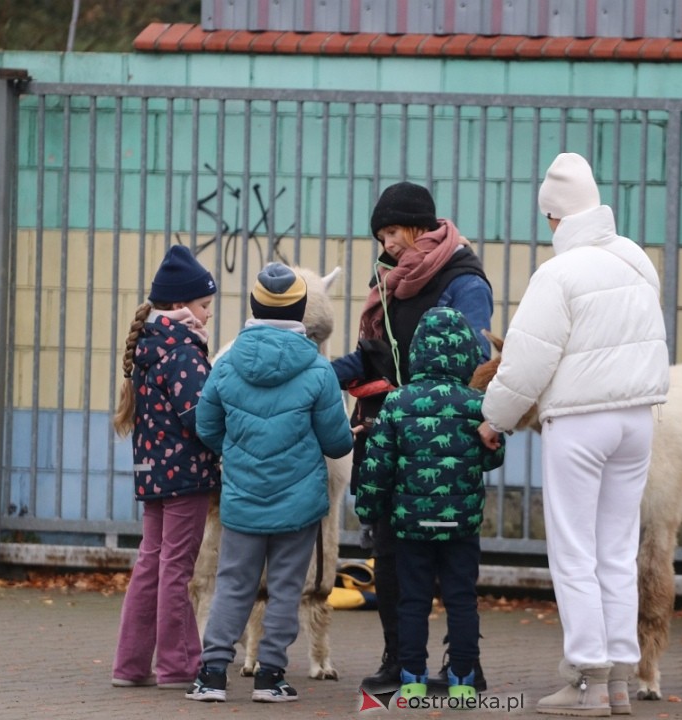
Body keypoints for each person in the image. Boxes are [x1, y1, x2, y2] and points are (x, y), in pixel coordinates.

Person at [478, 152, 669, 717]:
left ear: (554, 217)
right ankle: (618, 682)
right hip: (640, 418)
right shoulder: (636, 259)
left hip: (582, 423)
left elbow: (527, 363)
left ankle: (586, 678)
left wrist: (495, 418)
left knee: (574, 550)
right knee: (616, 548)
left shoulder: (558, 274)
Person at [331, 181, 495, 693]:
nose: (386, 246)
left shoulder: (463, 279)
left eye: (392, 232)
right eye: (379, 236)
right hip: (385, 431)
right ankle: (399, 659)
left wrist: (431, 411)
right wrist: (317, 375)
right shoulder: (391, 280)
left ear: (420, 227)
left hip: (439, 442)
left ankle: (463, 665)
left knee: (452, 571)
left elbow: (474, 358)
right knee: (391, 556)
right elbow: (371, 354)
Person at [186, 263, 354, 703]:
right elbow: (336, 442)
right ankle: (271, 676)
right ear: (302, 311)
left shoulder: (226, 364)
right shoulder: (319, 373)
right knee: (285, 589)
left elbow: (207, 425)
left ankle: (211, 674)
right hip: (298, 507)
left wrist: (235, 451)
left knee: (233, 584)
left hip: (242, 499)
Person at [354, 307, 506, 704]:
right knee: (461, 599)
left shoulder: (398, 402)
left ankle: (413, 679)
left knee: (413, 600)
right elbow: (492, 457)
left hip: (411, 526)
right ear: (467, 354)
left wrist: (368, 513)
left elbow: (377, 464)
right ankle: (462, 678)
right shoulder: (476, 404)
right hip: (461, 527)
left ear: (417, 352)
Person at [110, 244, 221, 689]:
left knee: (151, 565)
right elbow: (200, 417)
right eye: (204, 305)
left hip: (154, 474)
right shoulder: (183, 351)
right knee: (177, 568)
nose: (209, 314)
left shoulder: (151, 345)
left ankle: (130, 666)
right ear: (180, 306)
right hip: (187, 477)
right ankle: (178, 665)